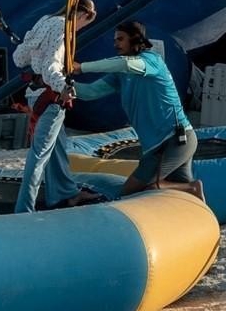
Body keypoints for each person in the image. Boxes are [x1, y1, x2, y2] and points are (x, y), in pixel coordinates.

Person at [72, 20, 203, 200]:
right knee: (179, 193)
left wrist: (82, 67)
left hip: (173, 141)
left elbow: (127, 64)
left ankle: (193, 188)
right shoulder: (121, 74)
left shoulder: (152, 61)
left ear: (134, 39)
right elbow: (90, 92)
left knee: (139, 190)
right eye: (115, 40)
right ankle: (193, 196)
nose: (115, 44)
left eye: (120, 39)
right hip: (160, 146)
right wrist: (61, 82)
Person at [12, 0, 103, 213]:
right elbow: (51, 65)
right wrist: (64, 87)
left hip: (35, 94)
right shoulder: (63, 27)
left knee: (57, 147)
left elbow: (19, 58)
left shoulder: (45, 20)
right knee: (40, 154)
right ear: (83, 15)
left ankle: (65, 193)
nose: (80, 28)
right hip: (50, 96)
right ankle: (24, 208)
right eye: (85, 23)